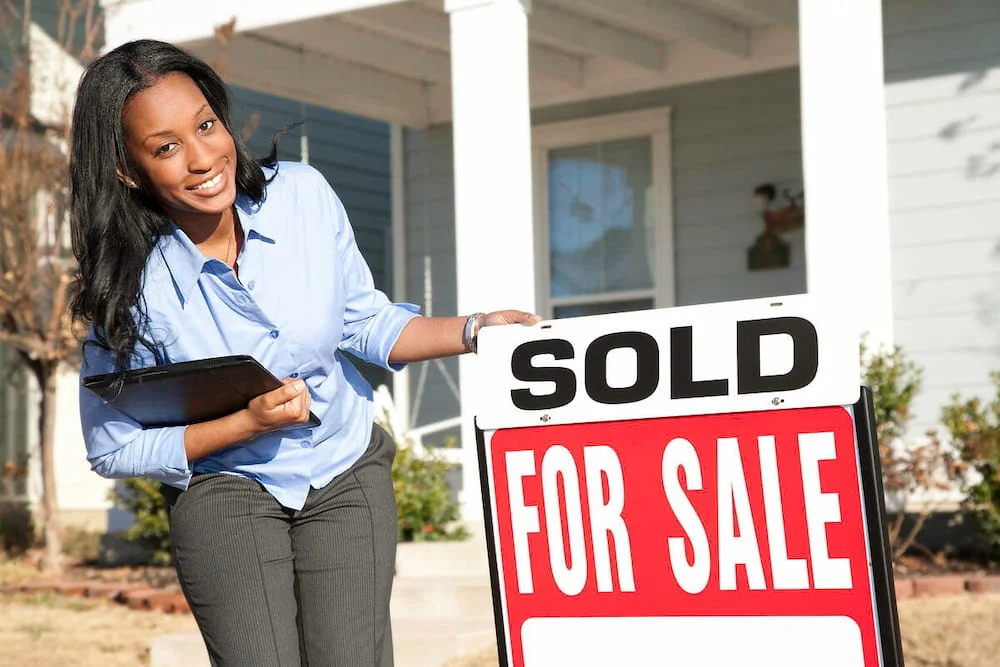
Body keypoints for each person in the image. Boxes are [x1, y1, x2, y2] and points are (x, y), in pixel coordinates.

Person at [69, 39, 539, 667]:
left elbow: (365, 323)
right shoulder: (129, 285)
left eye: (206, 125)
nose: (204, 157)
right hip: (225, 488)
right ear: (129, 170)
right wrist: (244, 424)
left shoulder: (303, 197)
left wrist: (476, 329)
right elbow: (112, 446)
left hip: (342, 469)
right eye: (166, 146)